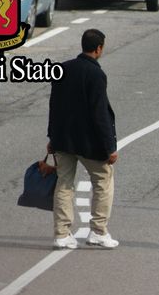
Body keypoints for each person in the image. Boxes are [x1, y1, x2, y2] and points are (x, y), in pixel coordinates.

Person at [48, 29, 119, 249]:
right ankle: (98, 231)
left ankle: (61, 234)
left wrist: (52, 136)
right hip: (89, 143)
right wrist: (110, 147)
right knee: (103, 181)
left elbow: (54, 105)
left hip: (63, 140)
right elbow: (100, 114)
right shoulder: (96, 75)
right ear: (99, 48)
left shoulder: (63, 69)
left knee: (64, 183)